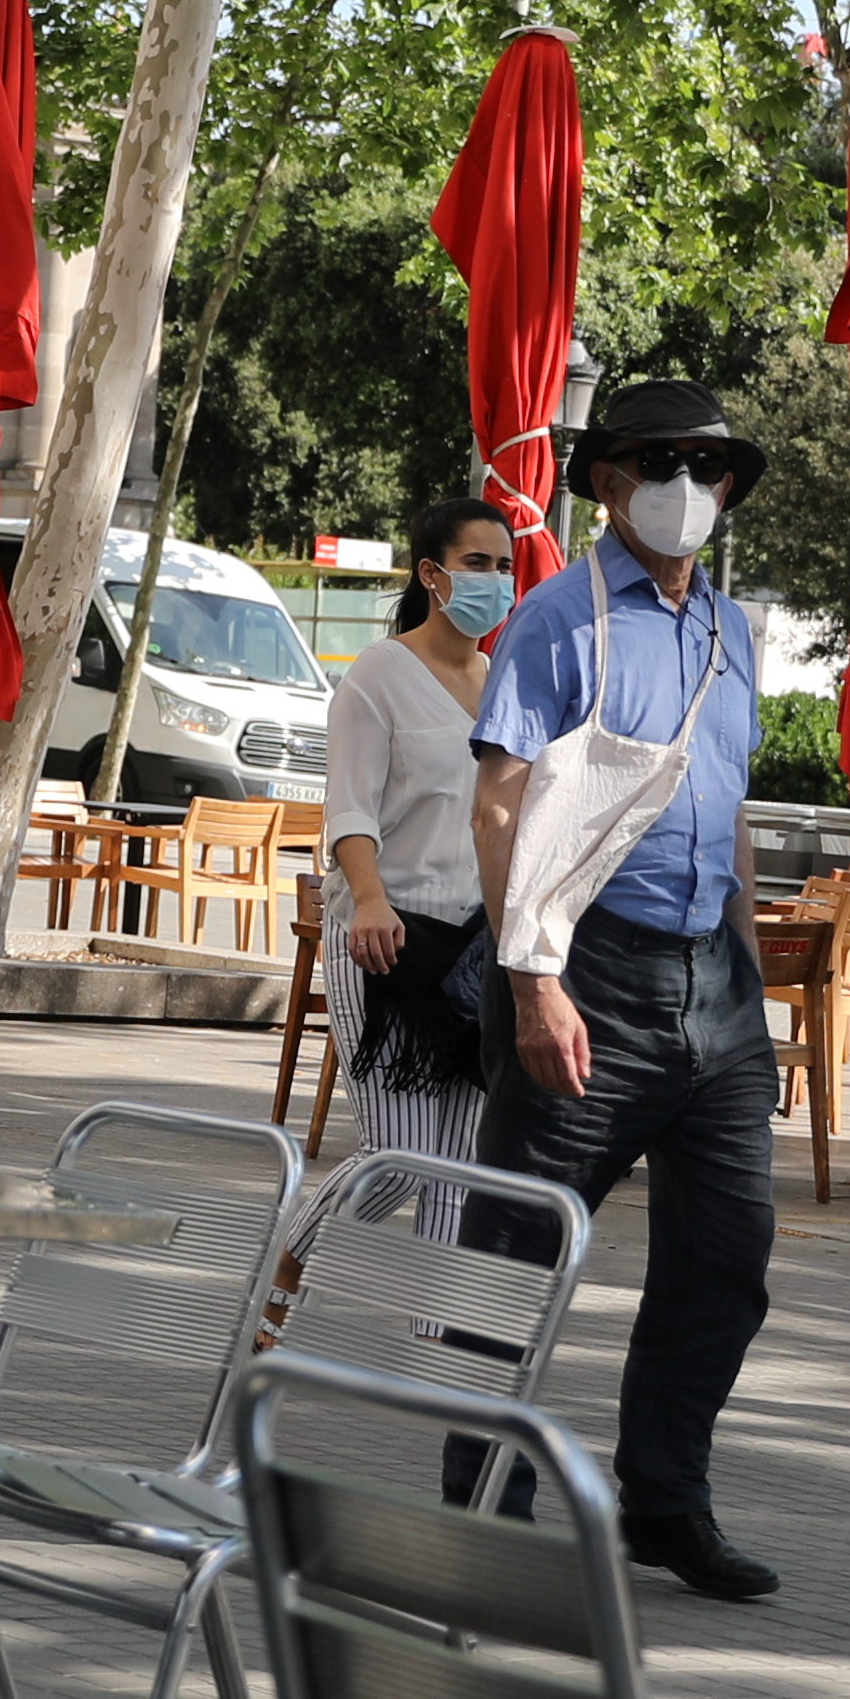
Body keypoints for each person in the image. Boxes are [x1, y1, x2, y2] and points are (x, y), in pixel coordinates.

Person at [466, 380, 783, 1599]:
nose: (688, 485)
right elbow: (499, 804)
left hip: (713, 985)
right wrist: (534, 979)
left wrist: (746, 965)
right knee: (519, 1250)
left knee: (725, 1259)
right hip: (585, 964)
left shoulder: (734, 632)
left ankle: (666, 1501)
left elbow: (727, 806)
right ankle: (485, 1511)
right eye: (662, 461)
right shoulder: (559, 619)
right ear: (605, 482)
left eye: (710, 465)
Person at [324, 493, 515, 1202]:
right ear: (431, 574)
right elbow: (348, 805)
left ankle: (432, 1320)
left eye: (503, 565)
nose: (493, 579)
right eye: (476, 563)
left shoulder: (503, 686)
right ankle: (283, 1272)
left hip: (473, 952)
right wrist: (368, 899)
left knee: (459, 1165)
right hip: (385, 938)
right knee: (399, 1159)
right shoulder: (378, 673)